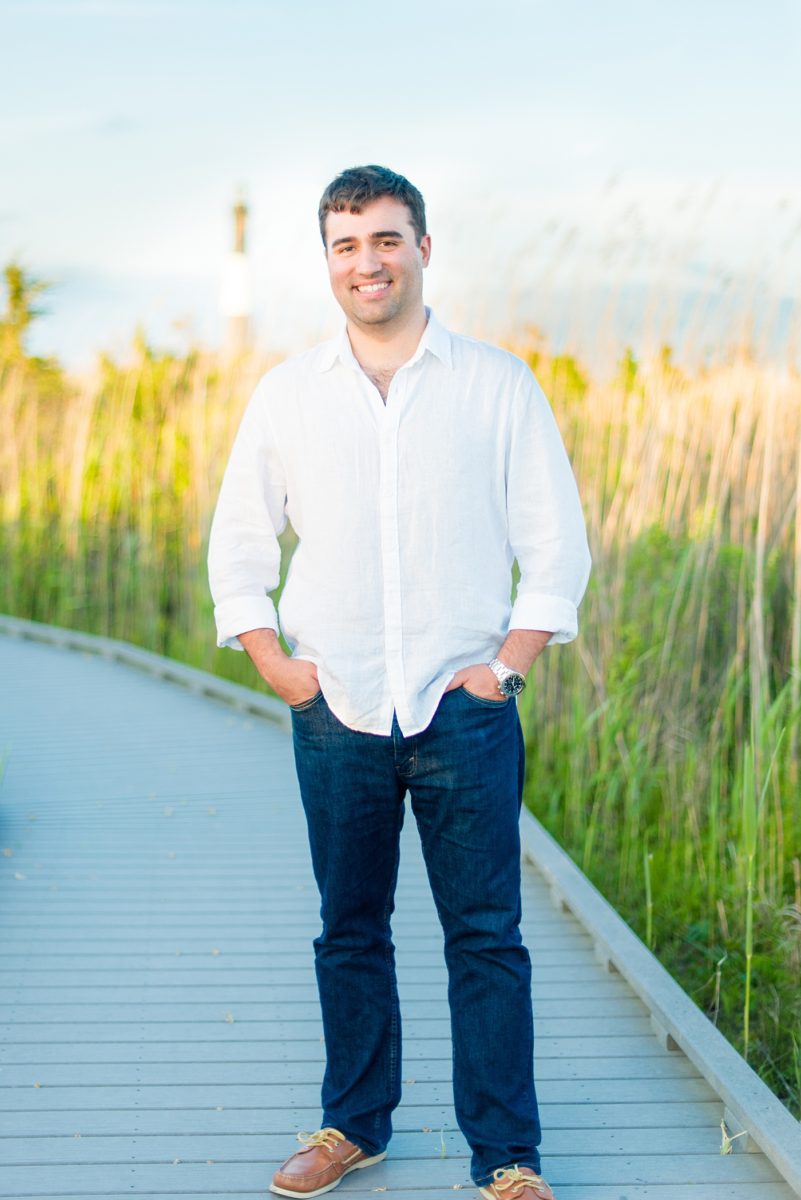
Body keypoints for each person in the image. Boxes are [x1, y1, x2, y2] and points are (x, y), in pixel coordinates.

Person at [207, 164, 591, 1200]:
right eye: (345, 244)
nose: (366, 262)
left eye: (385, 239)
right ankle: (353, 1126)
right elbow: (237, 546)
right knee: (349, 927)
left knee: (485, 936)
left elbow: (556, 545)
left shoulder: (496, 383)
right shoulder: (289, 395)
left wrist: (507, 669)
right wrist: (278, 669)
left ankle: (508, 1156)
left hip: (462, 713)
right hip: (336, 706)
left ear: (424, 247)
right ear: (327, 260)